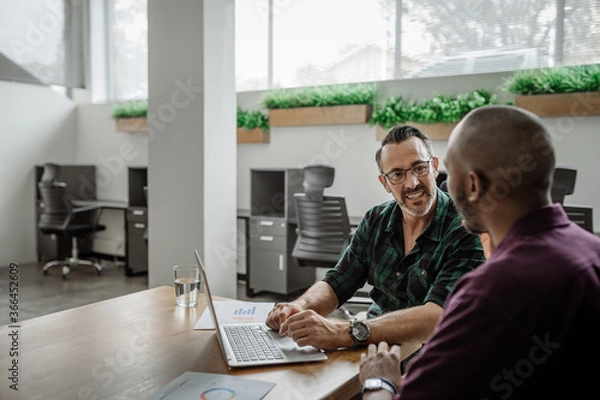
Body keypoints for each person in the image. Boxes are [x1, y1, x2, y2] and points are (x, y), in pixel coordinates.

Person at [359, 105, 600, 399]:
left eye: (449, 170)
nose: (443, 183)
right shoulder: (592, 252)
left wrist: (378, 381)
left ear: (473, 185)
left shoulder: (489, 293)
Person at [265, 125, 486, 351]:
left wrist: (348, 332)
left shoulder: (466, 227)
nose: (412, 183)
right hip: (372, 339)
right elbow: (338, 281)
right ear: (385, 183)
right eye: (398, 175)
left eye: (419, 168)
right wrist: (299, 307)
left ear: (434, 167)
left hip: (432, 349)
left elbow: (438, 316)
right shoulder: (376, 220)